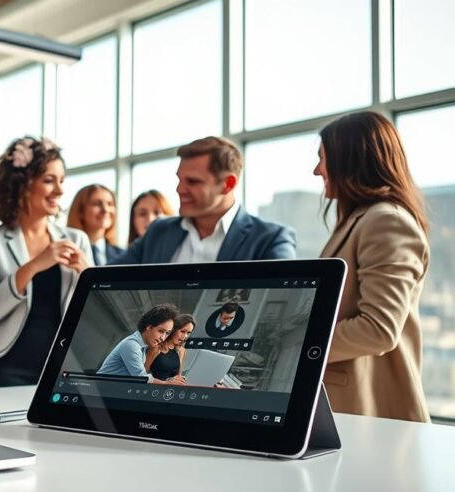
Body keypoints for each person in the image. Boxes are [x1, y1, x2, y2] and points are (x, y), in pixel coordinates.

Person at [315, 111, 431, 422]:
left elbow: (378, 329)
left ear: (350, 160)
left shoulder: (386, 221)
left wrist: (301, 343)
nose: (317, 170)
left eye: (323, 158)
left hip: (372, 411)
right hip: (351, 405)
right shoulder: (358, 221)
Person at [0, 137, 92, 387]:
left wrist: (88, 274)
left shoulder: (76, 240)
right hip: (7, 366)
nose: (59, 190)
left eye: (61, 181)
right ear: (22, 184)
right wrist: (36, 264)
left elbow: (96, 311)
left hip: (64, 367)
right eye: (49, 180)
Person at [114, 137, 296, 264]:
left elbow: (285, 307)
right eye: (180, 179)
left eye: (192, 182)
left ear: (227, 184)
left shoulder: (270, 239)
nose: (179, 189)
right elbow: (104, 281)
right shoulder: (158, 232)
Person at [98, 304, 179, 380]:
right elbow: (141, 378)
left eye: (167, 333)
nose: (163, 338)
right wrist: (168, 383)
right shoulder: (132, 345)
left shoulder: (145, 346)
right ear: (149, 327)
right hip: (99, 390)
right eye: (161, 331)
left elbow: (143, 374)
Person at [66, 184, 124, 265]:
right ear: (80, 211)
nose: (105, 209)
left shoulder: (122, 255)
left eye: (110, 204)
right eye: (96, 204)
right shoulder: (66, 253)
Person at [146, 314, 194, 384]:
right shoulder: (156, 347)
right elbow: (142, 375)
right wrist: (166, 383)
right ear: (173, 330)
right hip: (154, 390)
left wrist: (181, 380)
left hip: (171, 390)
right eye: (182, 331)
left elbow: (178, 377)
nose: (185, 336)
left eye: (188, 333)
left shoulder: (180, 350)